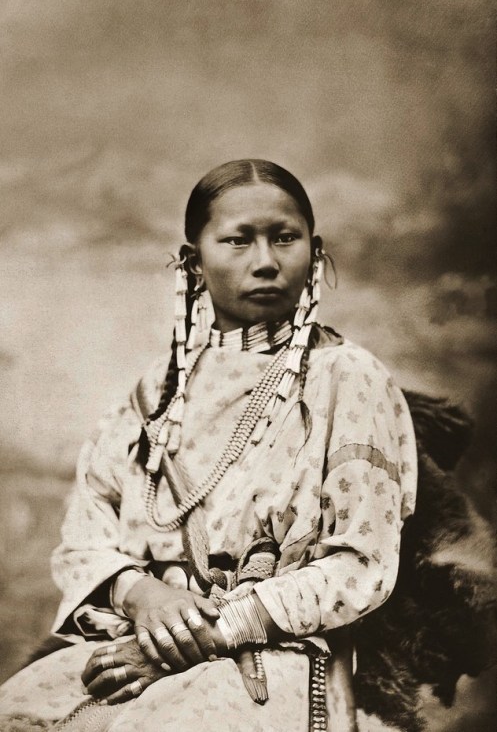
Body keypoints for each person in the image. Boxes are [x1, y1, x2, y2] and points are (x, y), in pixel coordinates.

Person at [0, 158, 421, 731]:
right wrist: (141, 595)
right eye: (238, 241)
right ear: (194, 261)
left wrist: (211, 630)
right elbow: (85, 533)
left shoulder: (347, 379)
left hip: (277, 660)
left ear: (314, 251)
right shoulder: (155, 393)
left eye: (285, 238)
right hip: (139, 644)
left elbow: (360, 564)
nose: (266, 262)